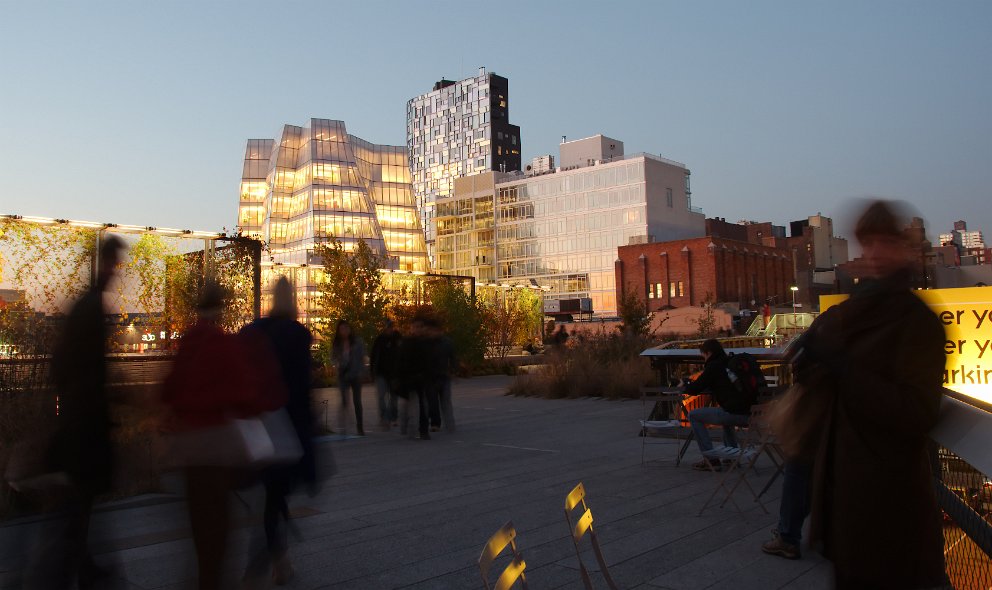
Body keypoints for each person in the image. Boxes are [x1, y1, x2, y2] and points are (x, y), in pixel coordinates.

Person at [774, 201, 948, 588]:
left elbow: (916, 413)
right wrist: (812, 370)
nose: (874, 254)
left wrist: (842, 366)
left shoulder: (917, 321)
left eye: (885, 242)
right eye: (867, 243)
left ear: (904, 247)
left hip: (891, 511)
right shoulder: (854, 312)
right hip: (845, 504)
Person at [161, 281, 279, 590]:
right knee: (219, 530)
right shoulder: (223, 344)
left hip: (188, 448)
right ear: (222, 308)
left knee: (199, 527)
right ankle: (211, 582)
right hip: (216, 448)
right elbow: (246, 394)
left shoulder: (188, 342)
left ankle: (203, 579)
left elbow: (170, 389)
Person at [39, 235, 124, 589]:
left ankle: (82, 567)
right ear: (106, 264)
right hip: (85, 426)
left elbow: (63, 365)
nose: (117, 273)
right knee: (78, 508)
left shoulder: (84, 306)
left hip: (79, 421)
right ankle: (71, 571)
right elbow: (89, 372)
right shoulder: (92, 309)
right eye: (116, 265)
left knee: (78, 508)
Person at [241, 277, 317, 585]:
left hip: (255, 423)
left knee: (270, 496)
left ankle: (278, 559)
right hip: (286, 425)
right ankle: (269, 562)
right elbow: (302, 390)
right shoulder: (297, 336)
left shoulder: (252, 331)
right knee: (275, 497)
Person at [683, 339, 752, 471]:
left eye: (703, 355)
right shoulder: (730, 363)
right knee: (725, 412)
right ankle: (732, 457)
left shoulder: (714, 366)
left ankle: (711, 460)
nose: (703, 359)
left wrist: (685, 383)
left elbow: (694, 389)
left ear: (708, 353)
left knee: (694, 415)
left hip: (735, 414)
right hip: (751, 413)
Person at [332, 319, 366, 436]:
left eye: (346, 328)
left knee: (357, 401)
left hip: (355, 374)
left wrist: (362, 371)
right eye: (342, 329)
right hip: (343, 374)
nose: (345, 331)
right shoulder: (337, 343)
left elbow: (362, 357)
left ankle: (359, 426)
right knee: (344, 401)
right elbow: (333, 357)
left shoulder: (357, 342)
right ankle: (343, 426)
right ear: (339, 331)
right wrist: (337, 364)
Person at [369, 319, 401, 431]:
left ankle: (393, 417)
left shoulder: (397, 339)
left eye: (390, 327)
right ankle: (384, 417)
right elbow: (373, 356)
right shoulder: (379, 340)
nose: (389, 329)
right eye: (387, 327)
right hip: (381, 373)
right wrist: (372, 371)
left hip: (394, 373)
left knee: (393, 397)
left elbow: (401, 354)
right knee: (381, 396)